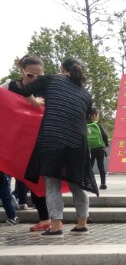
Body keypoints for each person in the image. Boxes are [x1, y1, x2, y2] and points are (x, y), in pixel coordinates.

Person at [13, 56, 97, 236]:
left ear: (62, 69)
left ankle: (57, 226)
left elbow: (25, 90)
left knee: (52, 184)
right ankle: (82, 224)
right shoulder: (86, 94)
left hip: (54, 139)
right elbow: (85, 117)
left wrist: (35, 101)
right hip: (78, 142)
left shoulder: (52, 79)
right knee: (77, 184)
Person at [2, 54, 51, 231]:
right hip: (14, 143)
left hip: (38, 143)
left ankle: (46, 219)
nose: (35, 79)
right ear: (22, 71)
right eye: (30, 75)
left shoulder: (48, 88)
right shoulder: (10, 86)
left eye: (39, 75)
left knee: (37, 182)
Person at [86, 108, 108, 190]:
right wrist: (106, 144)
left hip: (90, 149)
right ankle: (103, 183)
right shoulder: (98, 125)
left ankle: (88, 182)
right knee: (101, 166)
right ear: (94, 115)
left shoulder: (85, 124)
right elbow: (104, 135)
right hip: (100, 148)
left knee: (90, 166)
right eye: (98, 115)